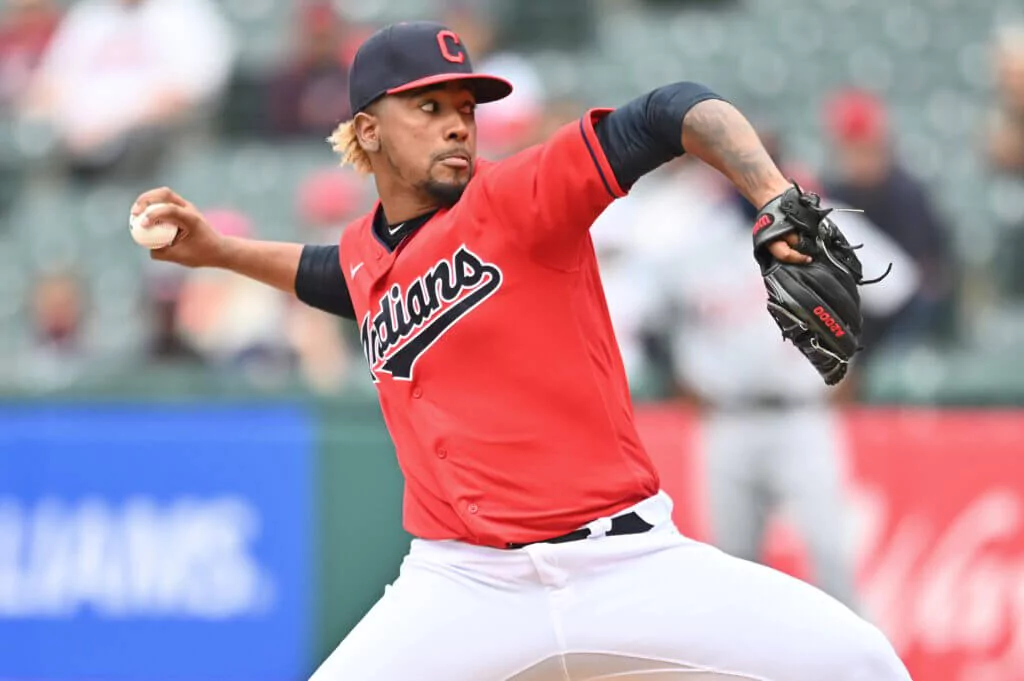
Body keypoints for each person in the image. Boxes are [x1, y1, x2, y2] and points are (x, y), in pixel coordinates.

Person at [130, 21, 912, 681]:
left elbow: (671, 109)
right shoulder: (367, 254)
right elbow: (335, 275)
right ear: (367, 130)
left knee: (862, 661)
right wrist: (219, 251)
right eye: (429, 106)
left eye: (465, 108)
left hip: (624, 562)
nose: (457, 124)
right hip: (462, 583)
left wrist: (771, 192)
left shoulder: (521, 193)